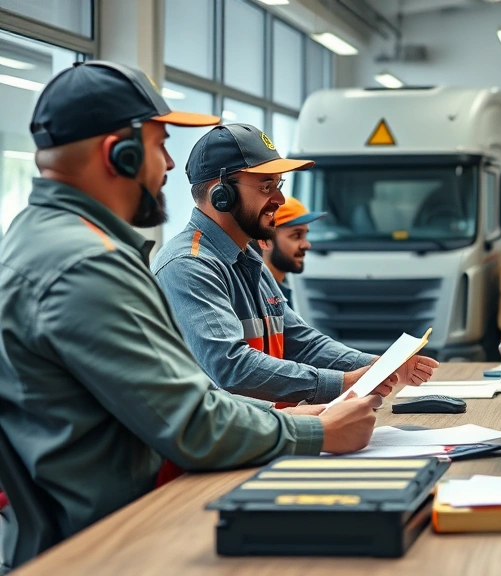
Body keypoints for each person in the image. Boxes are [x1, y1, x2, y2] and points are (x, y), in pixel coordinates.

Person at [0, 61, 382, 563]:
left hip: (115, 522)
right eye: (160, 147)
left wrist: (288, 412)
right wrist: (318, 430)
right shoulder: (85, 266)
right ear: (121, 152)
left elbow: (180, 395)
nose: (167, 166)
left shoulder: (54, 241)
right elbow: (191, 421)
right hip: (103, 545)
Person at [152, 124, 438, 406]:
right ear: (221, 195)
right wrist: (342, 383)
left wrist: (379, 365)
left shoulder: (249, 261)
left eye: (278, 185)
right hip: (216, 448)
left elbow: (300, 342)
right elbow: (232, 368)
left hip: (263, 434)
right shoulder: (189, 266)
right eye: (266, 187)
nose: (279, 200)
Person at [255, 196, 323, 302]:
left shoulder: (282, 289)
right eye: (296, 235)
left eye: (305, 235)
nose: (306, 245)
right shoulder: (255, 298)